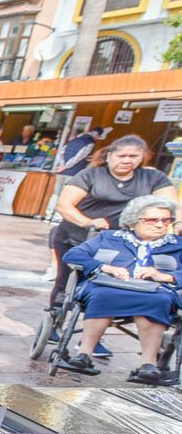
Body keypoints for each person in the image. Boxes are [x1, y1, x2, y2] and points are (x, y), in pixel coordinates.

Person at [58, 195, 182, 384]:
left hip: (155, 291)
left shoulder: (177, 245)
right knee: (102, 294)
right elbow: (73, 254)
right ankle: (84, 354)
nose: (160, 225)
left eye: (166, 220)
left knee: (160, 300)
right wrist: (104, 267)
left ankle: (148, 364)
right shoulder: (108, 237)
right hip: (107, 286)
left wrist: (167, 276)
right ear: (133, 221)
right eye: (152, 219)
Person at [48, 134, 177, 313]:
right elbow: (64, 205)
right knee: (67, 280)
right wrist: (88, 221)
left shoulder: (152, 177)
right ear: (109, 155)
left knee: (112, 284)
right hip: (77, 237)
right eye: (121, 156)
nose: (126, 160)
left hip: (118, 243)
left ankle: (101, 320)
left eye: (133, 156)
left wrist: (177, 222)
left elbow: (171, 205)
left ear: (141, 158)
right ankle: (56, 314)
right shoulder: (91, 174)